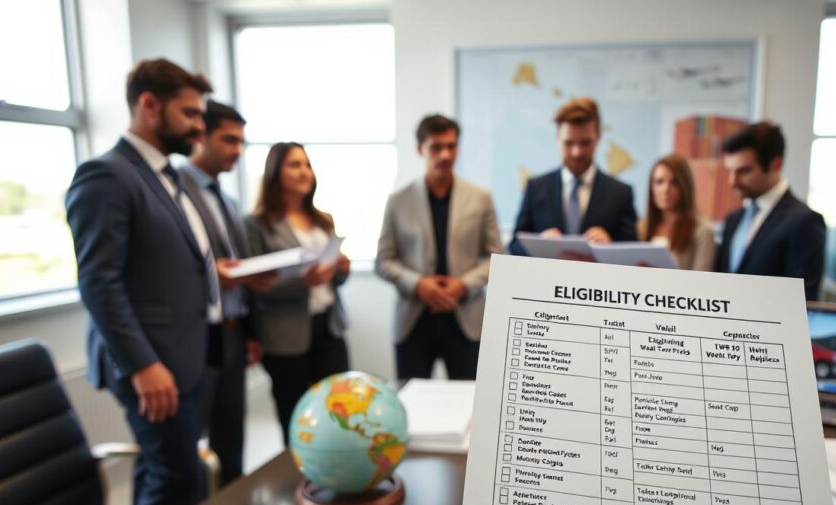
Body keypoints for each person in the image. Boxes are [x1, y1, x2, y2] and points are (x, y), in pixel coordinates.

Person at [65, 58, 217, 505]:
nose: (199, 126)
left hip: (183, 356)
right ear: (149, 105)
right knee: (177, 479)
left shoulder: (165, 176)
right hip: (151, 366)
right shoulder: (107, 175)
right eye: (190, 114)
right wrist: (143, 365)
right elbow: (98, 282)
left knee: (168, 475)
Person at [178, 100, 275, 486]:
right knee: (189, 447)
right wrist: (216, 277)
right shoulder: (176, 191)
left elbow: (237, 265)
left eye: (241, 142)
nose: (237, 150)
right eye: (228, 140)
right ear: (201, 137)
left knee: (231, 435)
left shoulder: (229, 201)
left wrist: (251, 330)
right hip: (198, 336)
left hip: (234, 331)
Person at [376, 114, 502, 380]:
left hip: (466, 318)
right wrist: (418, 284)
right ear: (420, 148)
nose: (445, 154)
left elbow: (496, 257)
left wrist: (464, 284)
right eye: (436, 147)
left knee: (471, 403)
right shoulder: (398, 200)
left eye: (451, 146)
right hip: (414, 318)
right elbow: (383, 261)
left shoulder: (480, 198)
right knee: (411, 402)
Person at [245, 142, 351, 442]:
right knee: (296, 416)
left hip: (329, 326)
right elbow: (255, 286)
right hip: (285, 334)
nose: (304, 171)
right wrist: (303, 282)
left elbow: (332, 282)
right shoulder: (257, 224)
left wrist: (341, 270)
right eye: (294, 165)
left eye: (306, 164)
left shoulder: (323, 219)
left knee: (337, 410)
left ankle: (338, 473)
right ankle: (298, 479)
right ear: (274, 173)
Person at [509, 97, 637, 255]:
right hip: (547, 278)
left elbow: (633, 252)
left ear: (598, 137)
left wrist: (611, 247)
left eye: (585, 143)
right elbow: (514, 245)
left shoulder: (620, 193)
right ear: (557, 138)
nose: (577, 152)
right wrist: (541, 243)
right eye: (568, 143)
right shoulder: (536, 187)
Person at [714, 121, 826, 300]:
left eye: (744, 171)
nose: (732, 181)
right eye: (730, 171)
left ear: (776, 165)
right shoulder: (733, 219)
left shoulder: (804, 221)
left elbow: (803, 301)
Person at [637, 154, 716, 271]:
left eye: (674, 183)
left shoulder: (702, 232)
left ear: (685, 186)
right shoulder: (641, 227)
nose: (665, 189)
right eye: (659, 182)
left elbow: (701, 282)